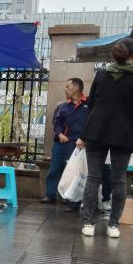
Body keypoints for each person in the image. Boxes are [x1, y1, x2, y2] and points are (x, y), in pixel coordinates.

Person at [80, 38, 133, 238]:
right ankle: (113, 226)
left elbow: (91, 104)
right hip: (123, 133)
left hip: (95, 130)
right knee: (119, 179)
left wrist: (84, 134)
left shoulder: (102, 74)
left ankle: (89, 223)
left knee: (93, 177)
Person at [41, 78, 89, 213]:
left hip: (78, 144)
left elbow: (92, 123)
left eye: (68, 87)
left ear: (76, 88)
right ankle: (50, 194)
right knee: (54, 168)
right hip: (61, 142)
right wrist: (60, 134)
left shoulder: (89, 105)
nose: (65, 90)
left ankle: (71, 199)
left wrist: (84, 138)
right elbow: (56, 123)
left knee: (74, 173)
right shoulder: (63, 107)